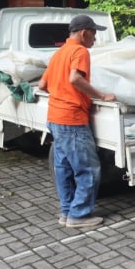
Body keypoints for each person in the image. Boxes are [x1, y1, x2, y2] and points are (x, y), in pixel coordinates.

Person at [38, 15, 116, 228]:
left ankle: (66, 212)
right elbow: (75, 78)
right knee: (88, 169)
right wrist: (101, 95)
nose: (95, 39)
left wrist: (61, 91)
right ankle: (79, 215)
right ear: (84, 33)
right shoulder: (80, 51)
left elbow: (42, 84)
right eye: (94, 34)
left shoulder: (59, 53)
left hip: (54, 117)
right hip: (72, 119)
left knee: (64, 169)